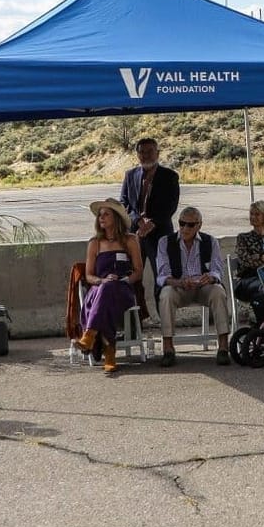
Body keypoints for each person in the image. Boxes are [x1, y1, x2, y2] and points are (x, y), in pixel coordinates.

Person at [157, 205, 232, 366]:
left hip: (203, 287)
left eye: (190, 225)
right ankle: (168, 349)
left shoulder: (210, 241)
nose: (185, 228)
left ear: (199, 225)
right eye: (182, 223)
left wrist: (210, 278)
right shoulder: (165, 242)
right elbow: (162, 275)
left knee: (218, 291)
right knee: (166, 294)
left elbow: (217, 270)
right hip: (180, 287)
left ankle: (223, 347)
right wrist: (179, 282)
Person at [77, 198, 142, 376]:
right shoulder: (95, 243)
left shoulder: (130, 240)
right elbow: (89, 276)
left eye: (106, 214)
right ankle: (109, 353)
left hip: (122, 290)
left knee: (110, 290)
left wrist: (123, 280)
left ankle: (89, 336)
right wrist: (102, 281)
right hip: (98, 289)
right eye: (100, 215)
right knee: (105, 291)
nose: (102, 218)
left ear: (116, 218)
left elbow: (138, 272)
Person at [121, 138, 179, 316]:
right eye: (142, 152)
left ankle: (165, 325)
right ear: (137, 155)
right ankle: (135, 324)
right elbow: (124, 203)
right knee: (131, 278)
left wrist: (152, 223)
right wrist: (138, 220)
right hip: (135, 235)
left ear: (158, 153)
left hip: (159, 235)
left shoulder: (170, 176)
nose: (146, 155)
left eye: (150, 151)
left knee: (161, 279)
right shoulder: (130, 175)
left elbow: (171, 206)